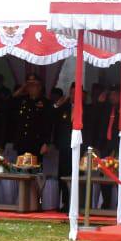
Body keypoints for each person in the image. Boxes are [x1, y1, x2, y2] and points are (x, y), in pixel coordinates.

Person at [52, 82, 75, 210]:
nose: (74, 95)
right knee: (63, 175)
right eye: (72, 93)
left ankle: (77, 203)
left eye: (76, 93)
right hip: (64, 147)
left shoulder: (86, 108)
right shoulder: (63, 107)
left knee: (76, 176)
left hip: (78, 148)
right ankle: (65, 203)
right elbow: (52, 117)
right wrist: (58, 104)